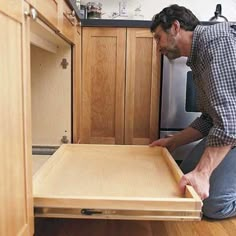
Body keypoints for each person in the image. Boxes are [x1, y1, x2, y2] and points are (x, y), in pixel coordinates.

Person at [150, 4, 236, 219]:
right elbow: (210, 119)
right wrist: (174, 141)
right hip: (231, 129)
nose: (158, 47)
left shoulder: (216, 41)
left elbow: (229, 121)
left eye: (158, 38)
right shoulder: (198, 58)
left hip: (232, 126)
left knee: (214, 204)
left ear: (176, 27)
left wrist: (204, 173)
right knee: (185, 174)